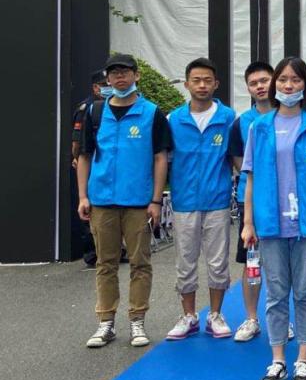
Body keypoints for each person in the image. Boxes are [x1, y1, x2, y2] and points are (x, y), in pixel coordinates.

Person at [240, 56, 306, 380]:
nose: (289, 86)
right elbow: (250, 177)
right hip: (270, 223)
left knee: (305, 292)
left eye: (295, 80)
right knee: (276, 294)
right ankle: (278, 359)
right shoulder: (259, 127)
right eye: (283, 80)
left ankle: (303, 360)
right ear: (275, 84)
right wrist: (248, 222)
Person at [76, 53, 172, 349]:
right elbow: (84, 156)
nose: (120, 77)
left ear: (136, 75)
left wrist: (156, 200)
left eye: (125, 72)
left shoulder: (152, 113)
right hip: (102, 200)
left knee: (140, 263)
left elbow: (160, 158)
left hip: (138, 202)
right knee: (105, 263)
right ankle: (106, 322)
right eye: (114, 73)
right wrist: (83, 196)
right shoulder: (95, 112)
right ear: (107, 78)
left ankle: (137, 320)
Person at [165, 58, 236, 341]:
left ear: (216, 84)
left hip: (217, 200)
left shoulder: (228, 118)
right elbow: (163, 160)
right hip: (184, 202)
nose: (202, 85)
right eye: (196, 80)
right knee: (185, 262)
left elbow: (237, 159)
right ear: (186, 84)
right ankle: (189, 316)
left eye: (207, 80)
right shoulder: (173, 120)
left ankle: (215, 315)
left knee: (218, 263)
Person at [228, 61, 276, 343]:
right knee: (252, 263)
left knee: (283, 266)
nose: (260, 86)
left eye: (264, 80)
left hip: (284, 202)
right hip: (253, 204)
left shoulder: (291, 116)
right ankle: (251, 318)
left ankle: (281, 318)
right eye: (254, 83)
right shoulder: (242, 122)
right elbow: (239, 161)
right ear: (248, 88)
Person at [71, 69, 109, 266]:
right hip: (90, 161)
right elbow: (77, 140)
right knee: (89, 207)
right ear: (95, 87)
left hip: (106, 163)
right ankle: (91, 253)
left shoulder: (111, 106)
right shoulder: (87, 108)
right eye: (104, 85)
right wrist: (77, 158)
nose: (108, 88)